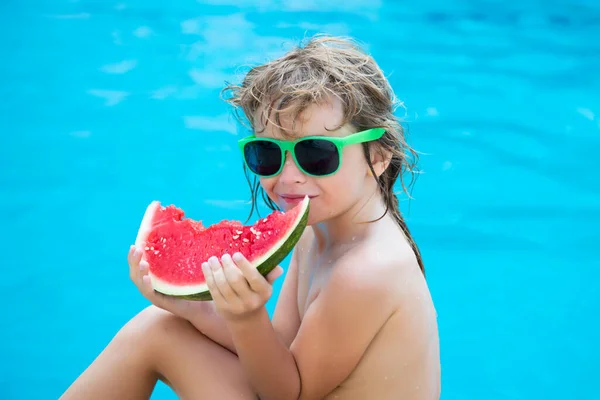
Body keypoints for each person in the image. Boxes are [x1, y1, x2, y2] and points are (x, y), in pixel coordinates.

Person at [61, 34, 440, 400]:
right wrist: (192, 307)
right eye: (267, 153)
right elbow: (280, 350)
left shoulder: (367, 271)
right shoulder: (315, 230)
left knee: (152, 336)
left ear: (377, 155)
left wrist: (246, 318)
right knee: (157, 327)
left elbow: (287, 392)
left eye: (317, 154)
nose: (288, 176)